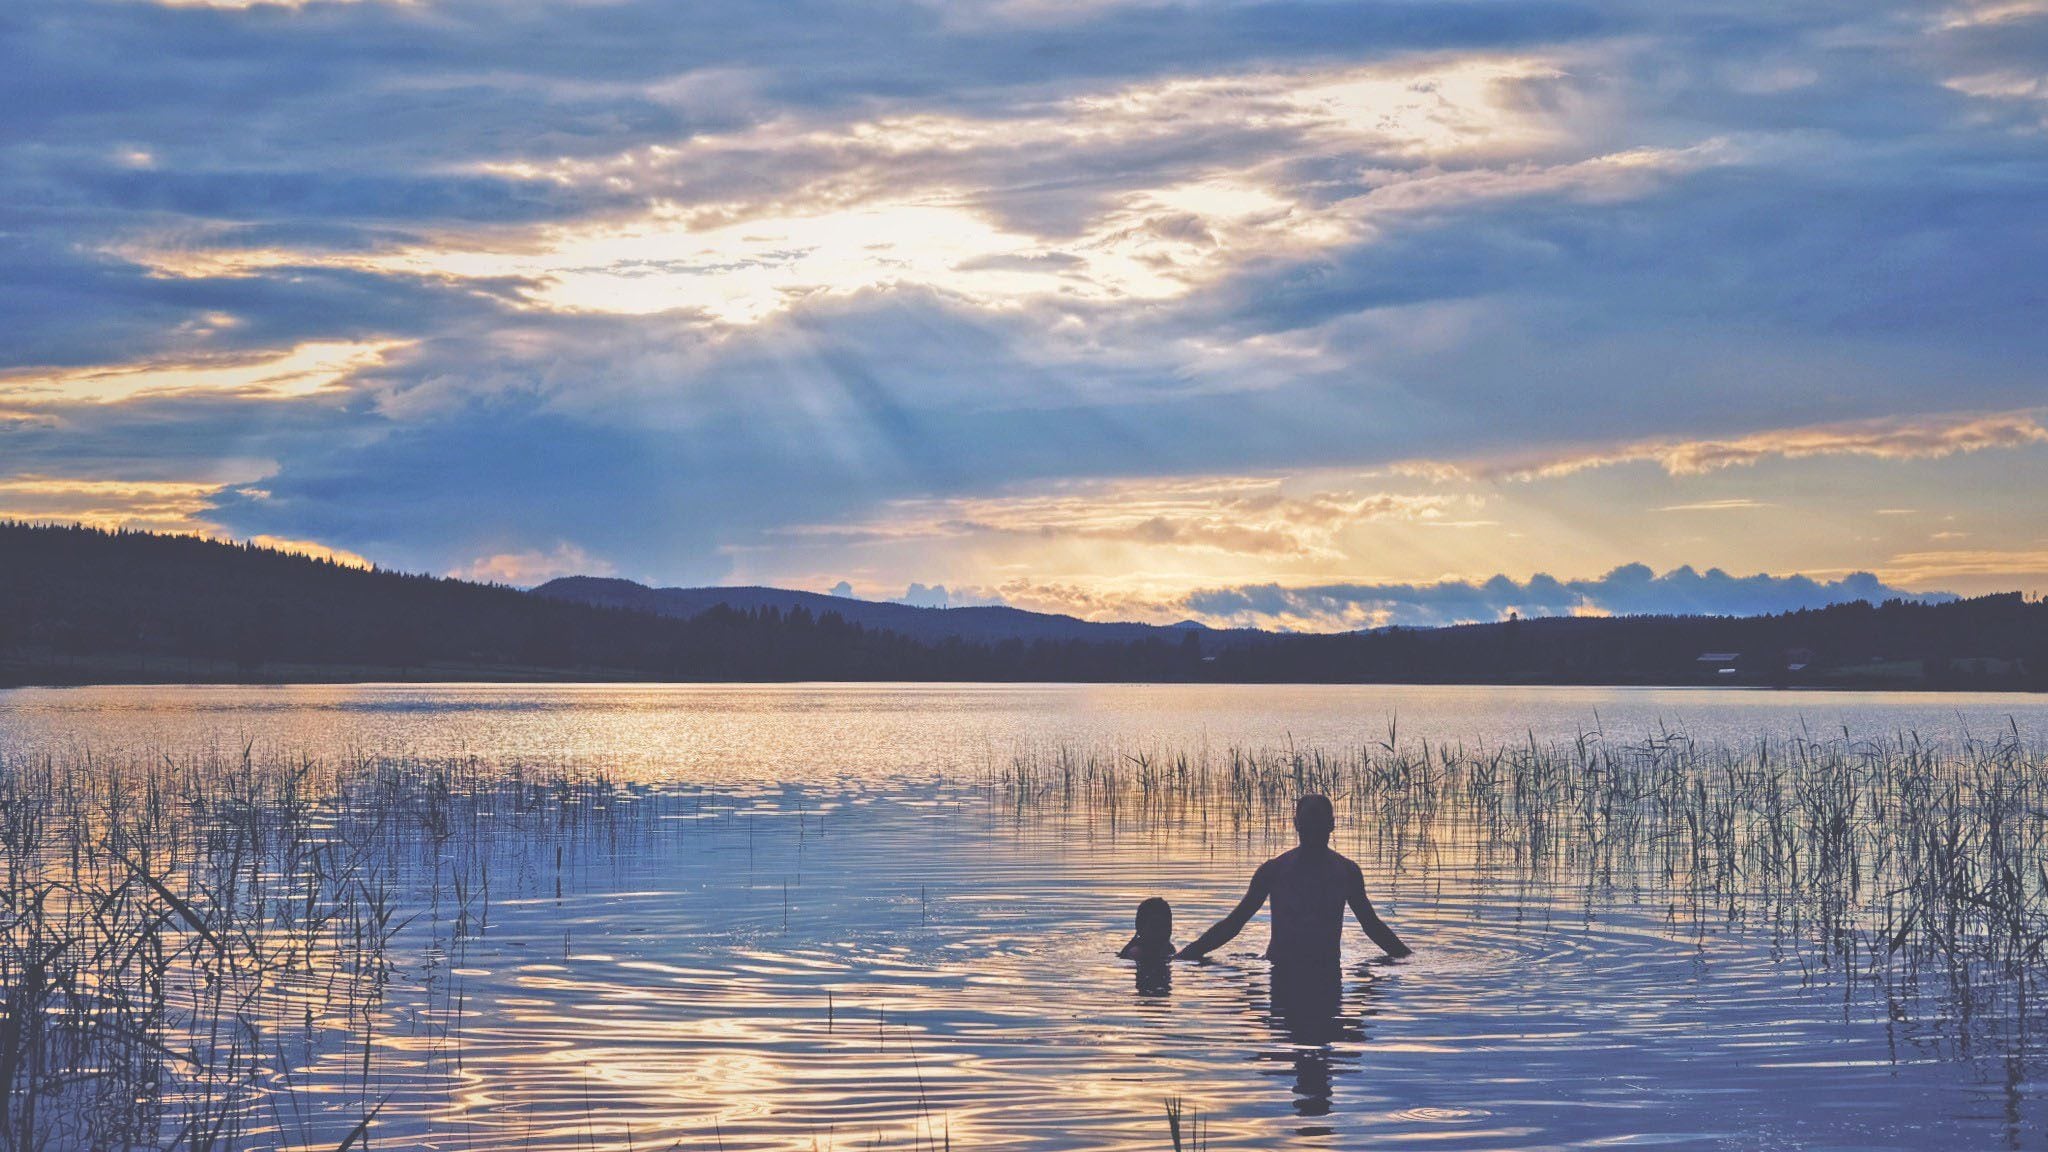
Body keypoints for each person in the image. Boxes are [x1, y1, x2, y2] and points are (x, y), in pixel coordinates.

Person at [1176, 794, 1410, 973]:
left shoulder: (1346, 872)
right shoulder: (1274, 871)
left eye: (1318, 823)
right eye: (1309, 823)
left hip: (1326, 974)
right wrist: (1186, 955)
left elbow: (1372, 926)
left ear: (1331, 825)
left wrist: (1409, 958)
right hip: (1281, 970)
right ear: (1296, 824)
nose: (1314, 830)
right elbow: (1234, 923)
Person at [1119, 896, 1176, 961]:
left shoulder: (1168, 948)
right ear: (1140, 927)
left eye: (1167, 925)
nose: (1163, 931)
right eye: (1156, 927)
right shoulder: (1136, 952)